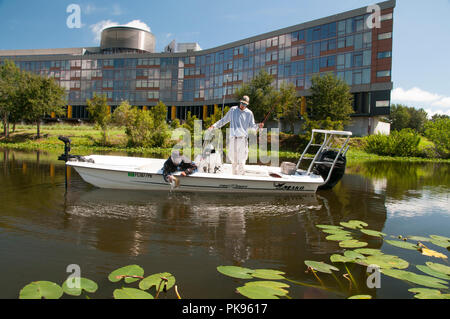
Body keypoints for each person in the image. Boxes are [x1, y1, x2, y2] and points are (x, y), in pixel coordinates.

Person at [208, 96, 264, 175]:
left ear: (247, 105)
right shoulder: (233, 110)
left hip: (243, 139)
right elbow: (224, 120)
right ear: (240, 102)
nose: (242, 105)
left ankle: (241, 177)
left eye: (245, 104)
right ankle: (234, 176)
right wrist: (214, 126)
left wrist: (259, 126)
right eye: (242, 103)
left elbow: (252, 126)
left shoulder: (249, 113)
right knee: (233, 160)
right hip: (233, 138)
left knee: (242, 161)